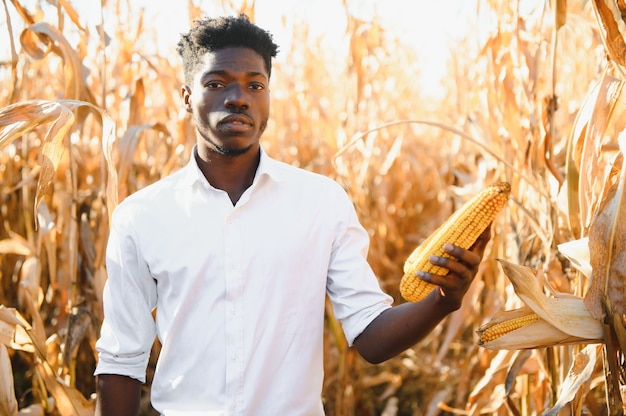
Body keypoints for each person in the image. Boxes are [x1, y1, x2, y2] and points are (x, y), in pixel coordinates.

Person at [94, 14, 491, 416]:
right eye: (216, 84)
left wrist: (444, 300)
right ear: (185, 97)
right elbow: (120, 362)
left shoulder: (321, 203)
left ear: (268, 96)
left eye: (255, 84)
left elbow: (370, 337)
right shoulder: (142, 216)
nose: (238, 97)